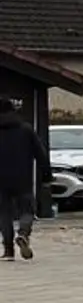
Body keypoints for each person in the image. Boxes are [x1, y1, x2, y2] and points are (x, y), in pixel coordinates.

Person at [0, 97, 39, 260]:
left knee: (3, 213)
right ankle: (23, 233)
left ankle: (8, 251)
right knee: (27, 209)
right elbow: (40, 152)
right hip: (23, 177)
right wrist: (47, 174)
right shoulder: (25, 129)